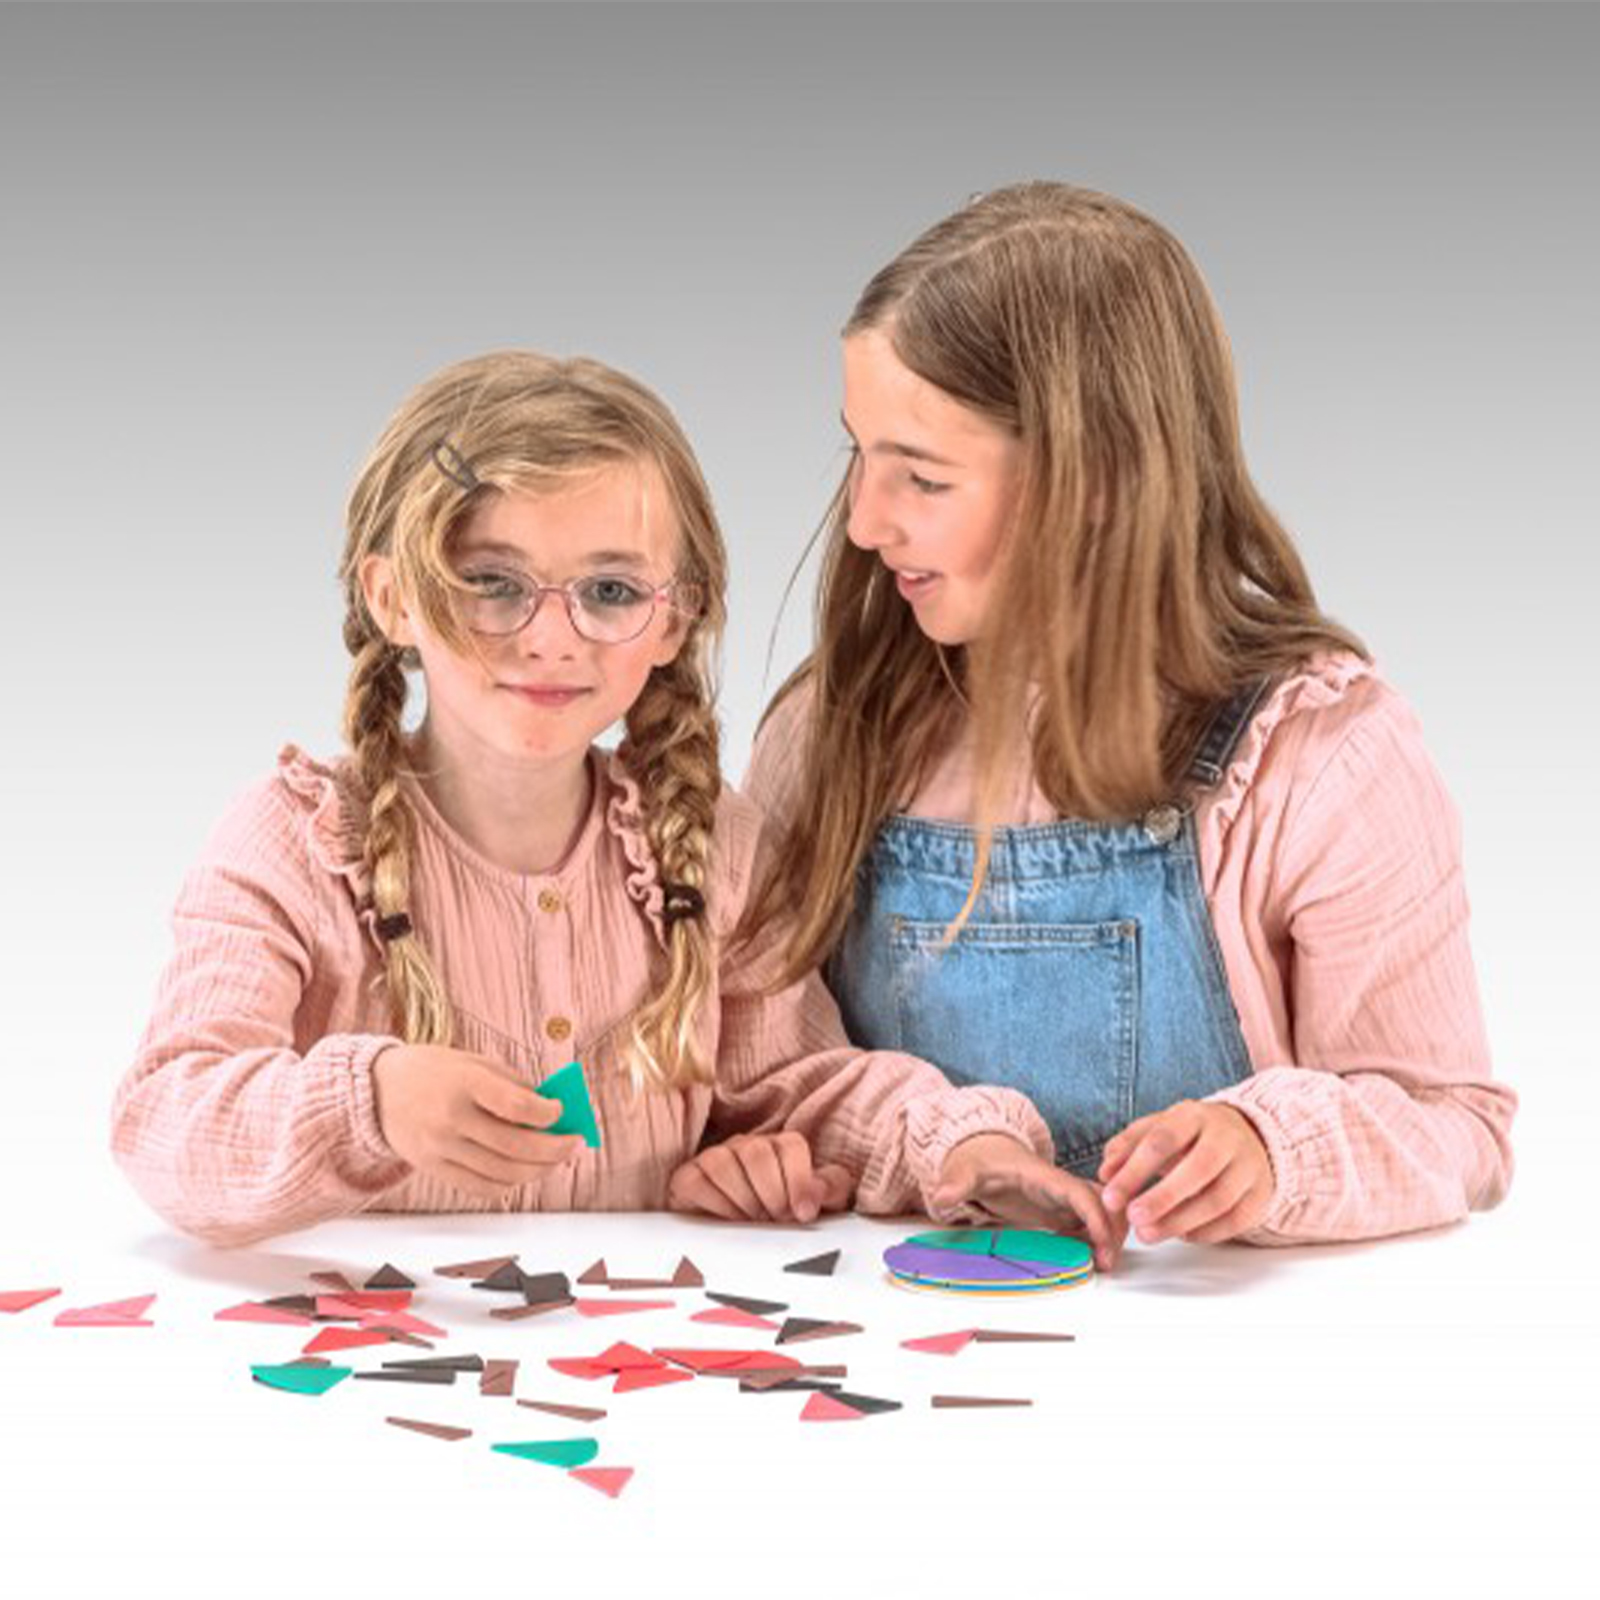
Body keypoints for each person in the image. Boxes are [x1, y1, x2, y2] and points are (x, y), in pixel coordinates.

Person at [111, 349, 1120, 1258]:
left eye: (609, 592)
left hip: (641, 1370)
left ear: (676, 619)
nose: (551, 639)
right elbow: (166, 1118)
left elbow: (805, 1085)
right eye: (491, 582)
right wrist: (372, 1103)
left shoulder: (707, 847)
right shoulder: (292, 843)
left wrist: (964, 1148)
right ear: (392, 598)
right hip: (390, 1356)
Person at [744, 182, 1515, 1249]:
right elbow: (767, 1066)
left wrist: (1271, 1149)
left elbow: (1454, 1126)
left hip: (1203, 1339)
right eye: (857, 456)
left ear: (1097, 478)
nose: (866, 523)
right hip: (911, 1326)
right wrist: (923, 1144)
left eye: (921, 476)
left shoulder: (1321, 759)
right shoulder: (830, 734)